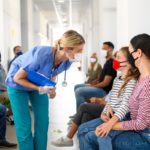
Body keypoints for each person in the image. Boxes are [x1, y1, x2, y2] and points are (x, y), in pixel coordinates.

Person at [5, 30, 85, 150]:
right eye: (79, 50)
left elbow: (52, 72)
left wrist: (51, 88)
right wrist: (40, 88)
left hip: (38, 82)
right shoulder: (41, 54)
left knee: (43, 122)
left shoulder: (68, 61)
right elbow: (18, 78)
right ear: (68, 49)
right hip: (17, 85)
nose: (81, 53)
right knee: (24, 125)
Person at [52, 47, 138, 147]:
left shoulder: (132, 81)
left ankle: (70, 138)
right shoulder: (117, 79)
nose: (115, 60)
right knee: (83, 126)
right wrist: (105, 111)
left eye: (118, 57)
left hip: (119, 119)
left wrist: (110, 122)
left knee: (90, 131)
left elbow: (125, 105)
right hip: (109, 116)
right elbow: (111, 100)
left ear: (129, 62)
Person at [84, 34, 150, 150]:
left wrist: (111, 125)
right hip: (134, 128)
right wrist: (109, 108)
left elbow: (140, 124)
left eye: (130, 53)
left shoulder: (147, 84)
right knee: (90, 136)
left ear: (138, 53)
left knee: (93, 137)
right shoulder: (140, 77)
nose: (129, 57)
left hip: (144, 135)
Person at [74, 41, 116, 111]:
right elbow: (101, 78)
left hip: (104, 91)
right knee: (76, 86)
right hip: (100, 87)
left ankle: (79, 114)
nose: (102, 51)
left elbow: (106, 83)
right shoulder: (107, 62)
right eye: (102, 49)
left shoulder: (111, 63)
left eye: (104, 49)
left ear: (110, 49)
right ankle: (84, 110)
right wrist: (93, 83)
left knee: (79, 91)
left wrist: (93, 86)